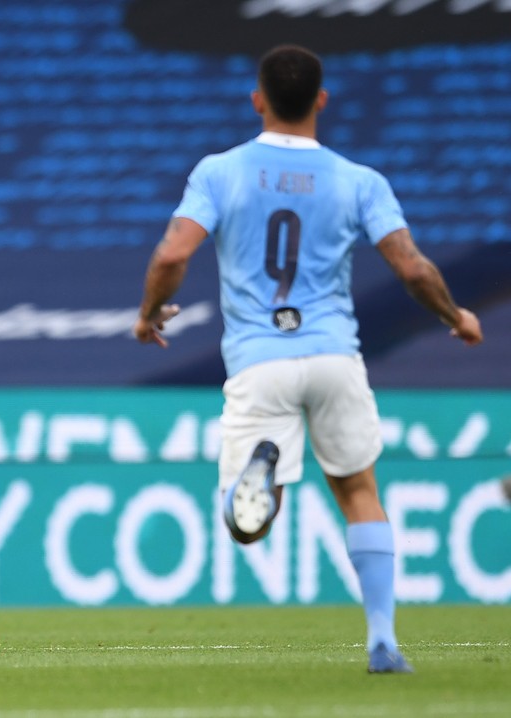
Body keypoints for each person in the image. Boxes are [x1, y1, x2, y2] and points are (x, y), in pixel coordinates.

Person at [134, 45, 483, 674]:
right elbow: (410, 265)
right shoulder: (358, 180)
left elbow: (169, 257)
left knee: (248, 527)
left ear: (257, 99)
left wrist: (150, 313)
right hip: (333, 355)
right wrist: (455, 317)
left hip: (258, 360)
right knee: (358, 491)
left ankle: (264, 466)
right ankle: (381, 639)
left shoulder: (221, 171)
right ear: (321, 100)